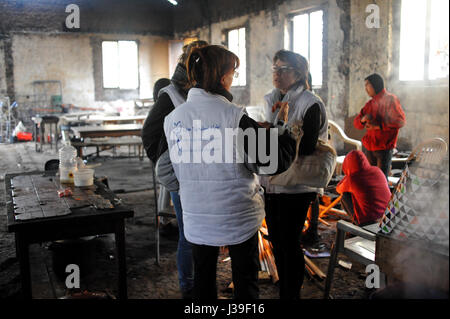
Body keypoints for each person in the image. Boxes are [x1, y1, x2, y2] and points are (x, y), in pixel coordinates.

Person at [163, 45, 297, 299]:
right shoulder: (233, 117)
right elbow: (272, 161)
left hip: (197, 218)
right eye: (233, 73)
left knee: (203, 280)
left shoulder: (174, 119)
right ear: (222, 76)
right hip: (237, 217)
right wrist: (284, 129)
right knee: (245, 281)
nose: (232, 79)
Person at [141, 40, 208, 299]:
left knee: (199, 233)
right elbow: (149, 135)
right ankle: (189, 289)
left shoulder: (198, 92)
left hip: (201, 172)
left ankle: (199, 287)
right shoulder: (171, 96)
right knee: (189, 234)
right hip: (183, 176)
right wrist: (168, 164)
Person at [259, 49, 328, 299]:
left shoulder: (311, 103)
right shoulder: (271, 98)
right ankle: (287, 288)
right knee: (277, 238)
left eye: (283, 69)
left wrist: (278, 129)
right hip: (273, 182)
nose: (276, 73)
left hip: (297, 185)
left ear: (298, 74)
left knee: (289, 241)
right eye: (274, 68)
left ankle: (291, 293)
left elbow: (307, 147)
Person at [354, 73, 406, 178]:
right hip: (370, 147)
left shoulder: (390, 99)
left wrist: (379, 126)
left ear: (375, 85)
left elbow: (400, 121)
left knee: (381, 179)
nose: (365, 88)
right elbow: (357, 124)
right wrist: (363, 120)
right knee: (370, 178)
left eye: (367, 85)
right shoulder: (370, 104)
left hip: (384, 148)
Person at [336, 150, 391, 226]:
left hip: (370, 221)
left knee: (345, 195)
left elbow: (338, 189)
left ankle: (358, 223)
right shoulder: (377, 170)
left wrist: (347, 176)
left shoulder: (353, 178)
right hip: (389, 215)